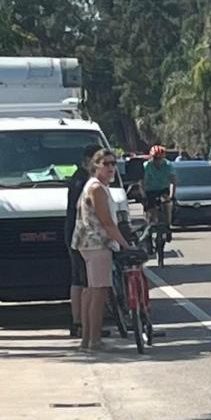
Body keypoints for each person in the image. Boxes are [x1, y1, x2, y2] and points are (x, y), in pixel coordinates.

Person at [71, 148, 131, 352]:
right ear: (95, 166)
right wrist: (125, 244)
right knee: (99, 292)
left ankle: (87, 339)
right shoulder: (96, 188)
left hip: (89, 245)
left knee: (90, 291)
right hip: (97, 245)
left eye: (114, 164)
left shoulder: (97, 186)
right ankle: (94, 340)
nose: (111, 168)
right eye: (106, 164)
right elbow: (107, 222)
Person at [65, 143, 101, 338]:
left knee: (82, 280)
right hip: (80, 236)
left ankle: (83, 323)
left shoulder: (84, 178)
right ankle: (80, 323)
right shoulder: (82, 181)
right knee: (83, 281)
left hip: (78, 234)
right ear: (88, 161)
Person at [142, 144, 176, 232]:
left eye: (159, 159)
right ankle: (150, 228)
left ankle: (168, 226)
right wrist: (143, 194)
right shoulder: (147, 166)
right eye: (155, 159)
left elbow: (173, 182)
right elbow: (142, 181)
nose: (157, 161)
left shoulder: (169, 166)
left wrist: (172, 195)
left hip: (163, 189)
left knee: (166, 203)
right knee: (151, 211)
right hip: (150, 190)